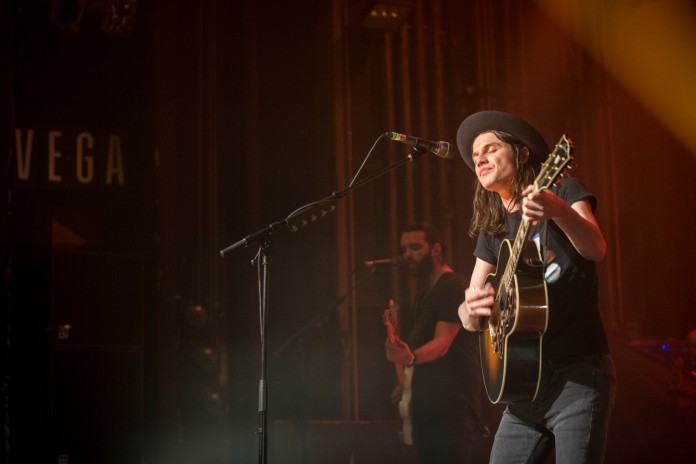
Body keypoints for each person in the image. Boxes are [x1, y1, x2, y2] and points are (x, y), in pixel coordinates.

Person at [455, 110, 616, 463]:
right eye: (475, 154)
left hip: (577, 376)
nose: (479, 157)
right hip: (523, 388)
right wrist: (473, 308)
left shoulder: (563, 190)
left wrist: (558, 211)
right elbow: (468, 316)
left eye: (491, 148)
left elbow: (596, 248)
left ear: (522, 153)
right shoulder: (493, 228)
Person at [385, 222, 488, 463]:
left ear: (436, 250)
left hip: (451, 410)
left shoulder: (452, 286)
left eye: (415, 247)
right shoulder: (423, 293)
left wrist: (411, 358)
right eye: (403, 249)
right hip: (428, 411)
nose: (407, 255)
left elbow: (443, 342)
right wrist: (407, 386)